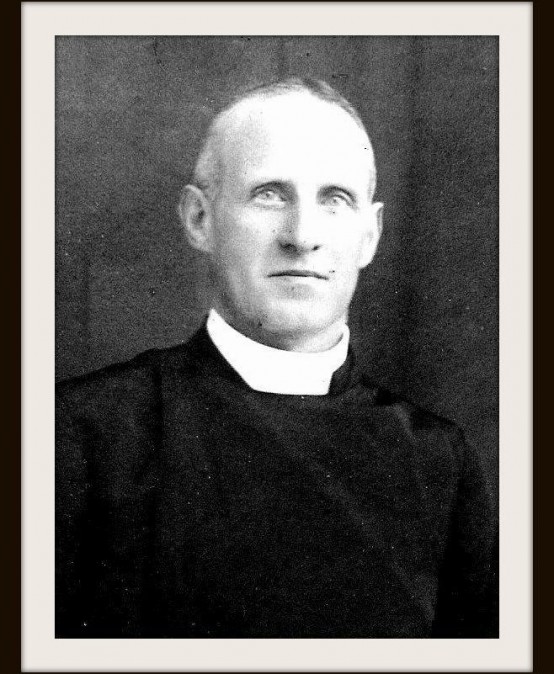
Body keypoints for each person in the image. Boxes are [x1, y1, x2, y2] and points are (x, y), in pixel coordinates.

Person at [56, 77, 498, 638]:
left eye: (335, 200)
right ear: (199, 220)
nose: (302, 236)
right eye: (269, 194)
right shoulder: (78, 436)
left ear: (370, 235)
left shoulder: (440, 461)